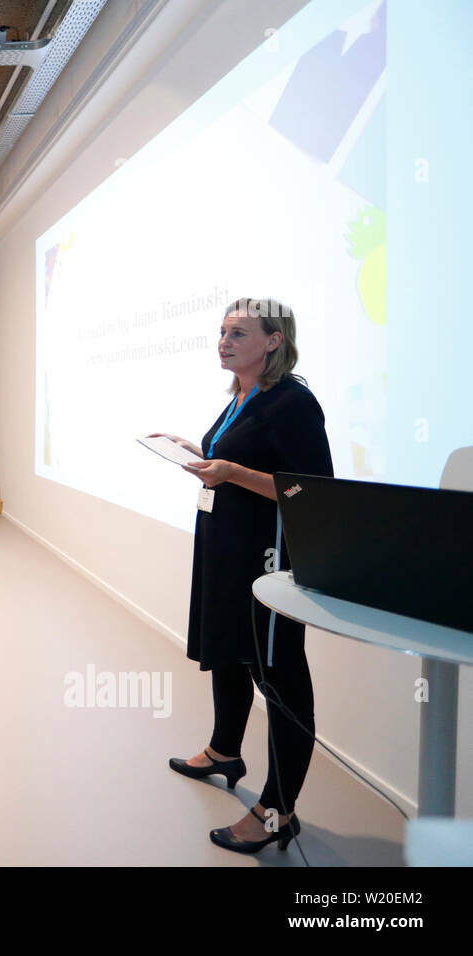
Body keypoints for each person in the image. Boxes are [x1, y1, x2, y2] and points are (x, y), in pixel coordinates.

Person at [157, 298, 332, 854]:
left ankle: (277, 809)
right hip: (225, 548)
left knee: (278, 678)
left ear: (274, 341)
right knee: (229, 649)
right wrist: (202, 452)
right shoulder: (242, 395)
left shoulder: (293, 402)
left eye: (238, 333)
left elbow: (308, 489)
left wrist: (230, 471)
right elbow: (236, 459)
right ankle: (224, 750)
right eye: (222, 331)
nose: (224, 341)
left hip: (267, 559)